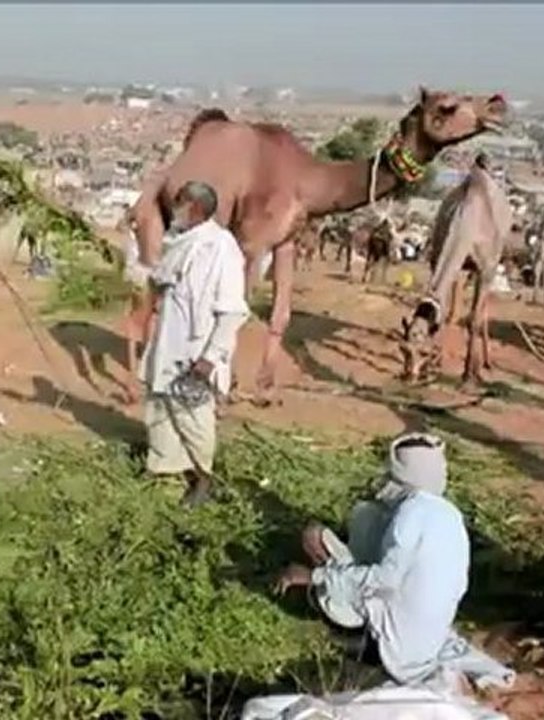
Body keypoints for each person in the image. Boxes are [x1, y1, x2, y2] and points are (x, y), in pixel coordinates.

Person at [275, 432, 470, 685]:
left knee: (314, 537)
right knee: (368, 518)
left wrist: (312, 576)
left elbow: (385, 579)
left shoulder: (411, 513)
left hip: (397, 649)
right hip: (430, 637)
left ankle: (357, 635)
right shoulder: (449, 514)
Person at [140, 180, 249, 507]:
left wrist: (211, 356)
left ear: (197, 209)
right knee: (160, 406)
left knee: (194, 415)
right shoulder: (181, 242)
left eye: (180, 202)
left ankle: (204, 478)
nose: (175, 208)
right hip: (169, 339)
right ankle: (164, 467)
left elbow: (231, 311)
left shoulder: (220, 247)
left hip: (196, 348)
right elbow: (161, 280)